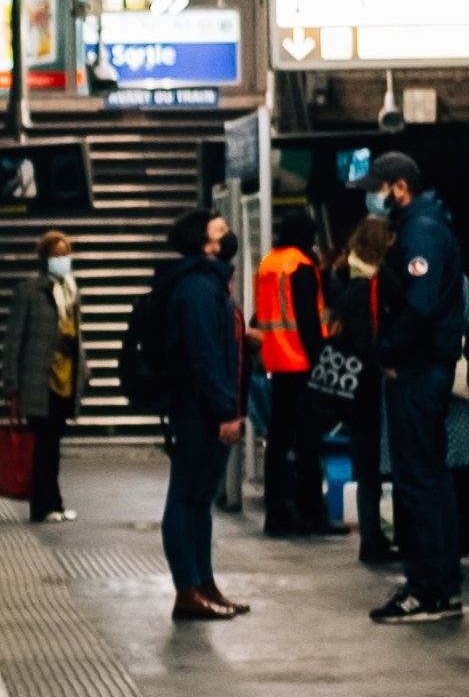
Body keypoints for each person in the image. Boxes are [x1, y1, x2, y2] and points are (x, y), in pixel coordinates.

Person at [362, 152, 468, 626]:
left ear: (398, 187)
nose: (377, 197)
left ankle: (426, 589)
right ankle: (441, 585)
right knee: (432, 477)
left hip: (418, 371)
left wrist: (389, 350)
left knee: (417, 481)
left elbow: (420, 306)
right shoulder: (425, 224)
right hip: (426, 367)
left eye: (379, 188)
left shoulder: (422, 231)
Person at [140, 211, 253, 623]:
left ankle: (204, 585)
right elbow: (205, 355)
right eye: (221, 231)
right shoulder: (198, 289)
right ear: (206, 245)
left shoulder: (210, 284)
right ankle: (187, 589)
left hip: (204, 407)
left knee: (200, 502)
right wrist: (226, 411)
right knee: (186, 500)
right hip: (198, 411)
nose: (229, 236)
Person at [250, 223, 329, 535]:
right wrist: (321, 361)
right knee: (308, 441)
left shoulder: (269, 263)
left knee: (278, 440)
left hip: (275, 362)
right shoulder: (300, 266)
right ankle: (312, 513)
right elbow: (309, 321)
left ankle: (277, 513)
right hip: (302, 363)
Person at [329, 209, 396, 573]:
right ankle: (373, 538)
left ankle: (375, 536)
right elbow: (365, 340)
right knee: (371, 466)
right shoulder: (363, 285)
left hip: (358, 389)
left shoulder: (348, 277)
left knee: (368, 464)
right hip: (368, 388)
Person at [0, 229, 80, 521]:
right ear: (45, 258)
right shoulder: (29, 292)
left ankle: (54, 502)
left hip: (64, 380)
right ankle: (41, 506)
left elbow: (75, 337)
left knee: (53, 444)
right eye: (57, 254)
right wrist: (11, 385)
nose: (63, 259)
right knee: (41, 445)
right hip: (37, 381)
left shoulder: (71, 292)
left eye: (66, 253)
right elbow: (13, 341)